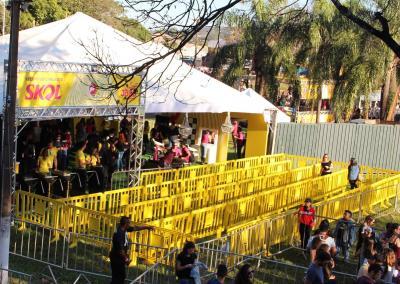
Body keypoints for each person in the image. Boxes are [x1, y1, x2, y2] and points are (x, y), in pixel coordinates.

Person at [109, 216, 153, 284]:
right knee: (118, 277)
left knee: (120, 276)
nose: (130, 224)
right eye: (129, 223)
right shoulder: (119, 234)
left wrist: (147, 227)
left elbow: (136, 228)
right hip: (116, 258)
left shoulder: (124, 229)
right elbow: (120, 250)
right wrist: (126, 259)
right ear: (125, 224)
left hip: (119, 257)